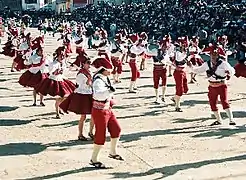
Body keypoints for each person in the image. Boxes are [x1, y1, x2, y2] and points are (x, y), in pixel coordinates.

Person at [90, 57, 123, 169]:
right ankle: (94, 159)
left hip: (107, 109)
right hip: (100, 111)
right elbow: (98, 95)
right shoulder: (98, 81)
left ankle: (113, 152)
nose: (110, 71)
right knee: (100, 134)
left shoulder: (104, 78)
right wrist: (109, 90)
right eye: (108, 69)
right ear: (102, 69)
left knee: (116, 129)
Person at [190, 45, 236, 126]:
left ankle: (231, 120)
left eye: (215, 54)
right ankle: (219, 120)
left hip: (221, 85)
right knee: (212, 103)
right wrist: (191, 66)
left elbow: (232, 70)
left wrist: (229, 72)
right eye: (212, 55)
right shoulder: (207, 64)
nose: (213, 56)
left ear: (218, 55)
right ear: (210, 55)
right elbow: (198, 70)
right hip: (212, 86)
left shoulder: (223, 63)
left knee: (224, 102)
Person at [35, 47, 76, 119]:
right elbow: (51, 72)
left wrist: (70, 68)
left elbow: (65, 71)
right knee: (59, 97)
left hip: (61, 79)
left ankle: (59, 109)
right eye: (61, 56)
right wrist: (57, 71)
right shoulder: (54, 63)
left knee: (65, 96)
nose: (62, 57)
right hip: (54, 81)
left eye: (63, 55)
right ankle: (57, 113)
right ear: (57, 56)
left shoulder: (62, 63)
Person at [59, 58, 94, 140]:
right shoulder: (80, 74)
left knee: (93, 115)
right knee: (83, 116)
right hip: (83, 95)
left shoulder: (89, 72)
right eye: (87, 63)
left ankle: (91, 132)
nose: (89, 65)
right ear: (83, 64)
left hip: (90, 93)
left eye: (90, 63)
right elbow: (81, 85)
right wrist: (89, 82)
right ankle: (80, 134)